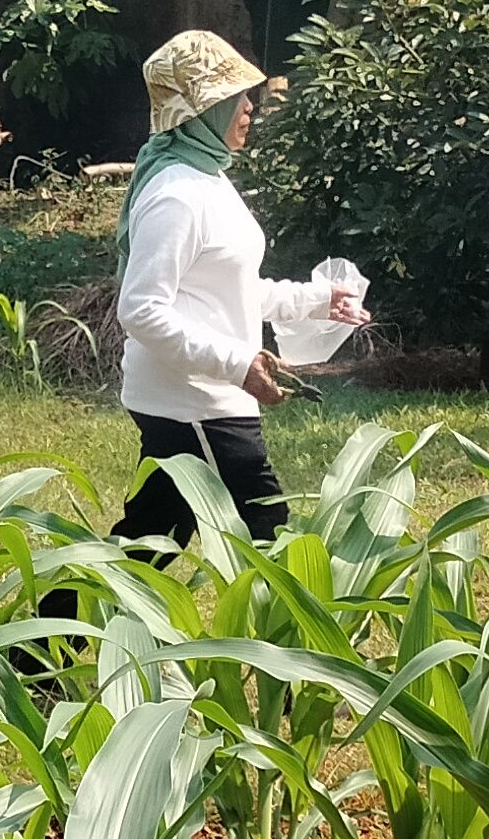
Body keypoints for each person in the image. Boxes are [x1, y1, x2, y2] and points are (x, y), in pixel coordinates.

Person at [111, 29, 361, 548]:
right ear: (199, 112)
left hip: (204, 396)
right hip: (194, 402)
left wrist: (317, 301)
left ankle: (53, 629)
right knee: (268, 533)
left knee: (152, 538)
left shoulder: (208, 178)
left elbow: (233, 286)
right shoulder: (177, 195)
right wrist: (238, 364)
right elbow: (140, 309)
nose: (250, 106)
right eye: (233, 97)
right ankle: (292, 630)